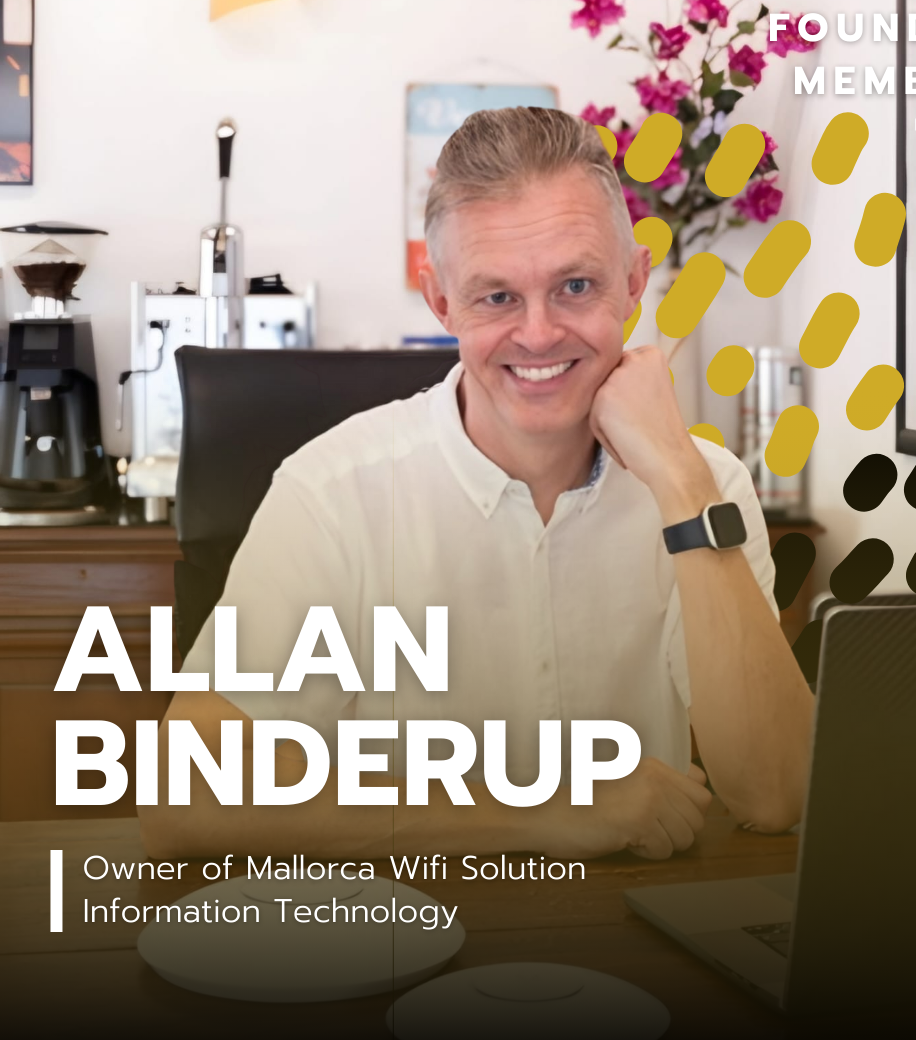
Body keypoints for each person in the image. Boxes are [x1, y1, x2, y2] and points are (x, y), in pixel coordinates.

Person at [140, 107, 813, 862]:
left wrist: (684, 486)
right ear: (442, 303)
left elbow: (776, 793)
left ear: (633, 283)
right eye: (497, 297)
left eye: (576, 286)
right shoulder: (331, 491)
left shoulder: (705, 486)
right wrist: (543, 814)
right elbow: (185, 795)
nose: (537, 333)